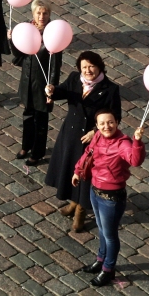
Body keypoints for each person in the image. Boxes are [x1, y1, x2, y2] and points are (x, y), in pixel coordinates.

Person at [44, 51, 123, 232]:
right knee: (71, 170)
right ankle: (73, 201)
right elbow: (62, 92)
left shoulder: (110, 89)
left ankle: (81, 209)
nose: (88, 70)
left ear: (99, 67)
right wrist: (52, 90)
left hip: (91, 142)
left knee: (85, 175)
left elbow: (116, 116)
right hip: (70, 135)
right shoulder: (74, 79)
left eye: (91, 66)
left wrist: (95, 131)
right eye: (84, 67)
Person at [72, 111, 146, 286]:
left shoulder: (123, 144)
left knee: (110, 235)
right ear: (97, 126)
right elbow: (88, 153)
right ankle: (101, 259)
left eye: (110, 122)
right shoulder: (97, 136)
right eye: (102, 123)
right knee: (101, 229)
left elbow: (135, 160)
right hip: (95, 190)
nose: (107, 126)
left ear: (117, 122)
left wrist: (137, 141)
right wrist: (77, 171)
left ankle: (108, 270)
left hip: (112, 198)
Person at [9, 0, 60, 166]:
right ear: (33, 14)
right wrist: (11, 40)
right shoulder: (28, 29)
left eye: (45, 13)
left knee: (41, 121)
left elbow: (55, 66)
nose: (42, 16)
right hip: (27, 82)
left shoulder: (53, 34)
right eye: (39, 13)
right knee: (27, 116)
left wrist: (52, 89)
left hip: (42, 85)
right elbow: (19, 53)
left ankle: (37, 153)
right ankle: (26, 146)